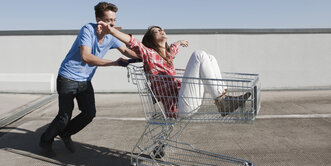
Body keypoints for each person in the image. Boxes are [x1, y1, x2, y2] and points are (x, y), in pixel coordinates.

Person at [39, 2, 138, 155]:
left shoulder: (110, 35)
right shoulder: (88, 30)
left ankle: (65, 133)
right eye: (108, 20)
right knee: (64, 116)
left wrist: (146, 57)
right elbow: (86, 57)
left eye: (114, 20)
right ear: (99, 19)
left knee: (89, 113)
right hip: (67, 77)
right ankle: (45, 141)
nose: (112, 24)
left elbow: (125, 49)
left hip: (85, 80)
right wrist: (114, 63)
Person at [98, 22, 251, 118]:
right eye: (157, 31)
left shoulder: (168, 55)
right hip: (179, 106)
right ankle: (223, 102)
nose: (162, 30)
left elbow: (173, 48)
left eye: (162, 29)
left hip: (188, 99)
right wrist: (111, 31)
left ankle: (223, 100)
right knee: (199, 55)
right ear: (151, 39)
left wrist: (180, 42)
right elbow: (133, 42)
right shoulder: (149, 54)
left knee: (210, 58)